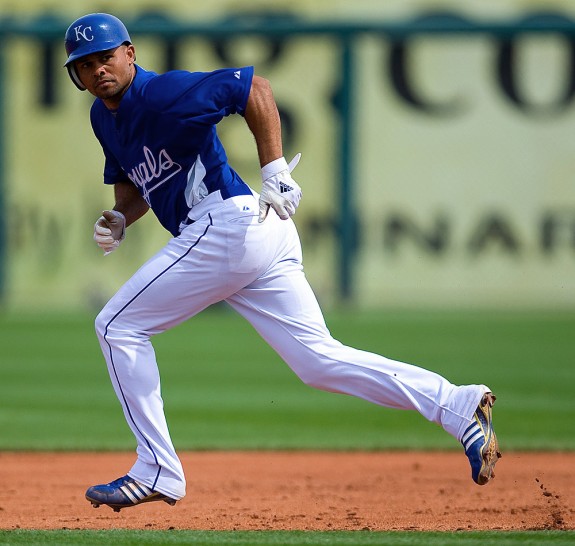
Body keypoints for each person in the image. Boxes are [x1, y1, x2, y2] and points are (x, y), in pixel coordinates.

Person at [63, 13, 501, 512]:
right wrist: (121, 216)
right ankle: (460, 406)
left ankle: (157, 468)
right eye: (86, 64)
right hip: (250, 235)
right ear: (76, 74)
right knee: (319, 361)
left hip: (227, 225)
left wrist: (273, 168)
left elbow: (253, 87)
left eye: (106, 57)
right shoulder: (104, 117)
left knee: (116, 325)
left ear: (130, 54)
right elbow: (136, 185)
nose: (98, 69)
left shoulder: (164, 93)